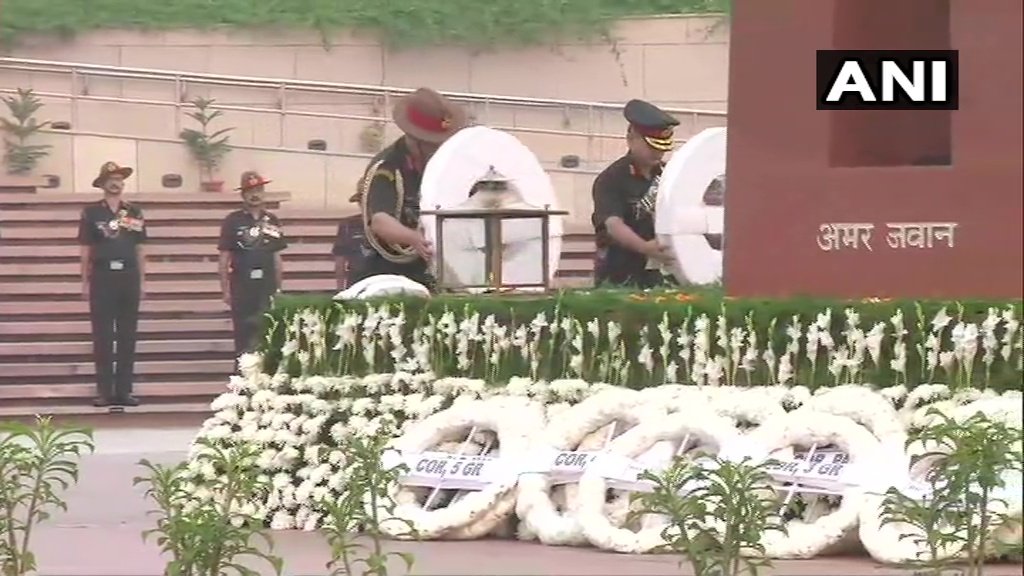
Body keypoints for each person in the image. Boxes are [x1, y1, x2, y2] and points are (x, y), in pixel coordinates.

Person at [351, 87, 467, 289]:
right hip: (388, 271)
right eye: (432, 144)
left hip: (438, 267)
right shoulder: (387, 166)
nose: (438, 149)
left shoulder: (450, 164)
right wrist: (413, 238)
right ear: (413, 139)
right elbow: (380, 220)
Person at [77, 161, 147, 407]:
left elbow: (140, 248)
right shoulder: (92, 213)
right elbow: (86, 249)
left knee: (128, 335)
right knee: (103, 336)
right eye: (110, 179)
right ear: (103, 184)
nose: (115, 182)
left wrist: (143, 280)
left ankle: (125, 391)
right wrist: (84, 281)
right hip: (102, 277)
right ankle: (105, 391)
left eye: (119, 178)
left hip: (128, 276)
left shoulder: (134, 212)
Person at [591, 99, 679, 288]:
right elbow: (613, 224)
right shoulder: (611, 178)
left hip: (661, 272)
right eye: (652, 146)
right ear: (632, 139)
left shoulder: (669, 176)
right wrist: (645, 248)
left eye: (662, 148)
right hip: (620, 274)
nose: (658, 153)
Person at [218, 171, 287, 358]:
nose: (254, 195)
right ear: (243, 194)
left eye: (258, 190)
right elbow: (224, 257)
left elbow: (276, 256)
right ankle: (242, 376)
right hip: (242, 284)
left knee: (267, 329)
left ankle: (265, 376)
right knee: (243, 332)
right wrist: (225, 290)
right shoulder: (232, 221)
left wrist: (279, 288)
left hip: (267, 283)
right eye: (250, 191)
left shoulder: (272, 220)